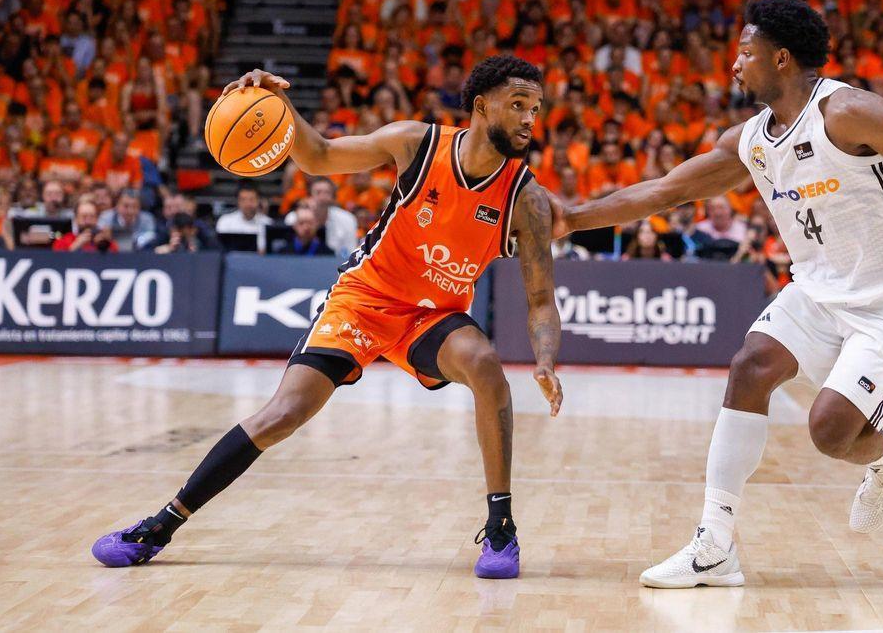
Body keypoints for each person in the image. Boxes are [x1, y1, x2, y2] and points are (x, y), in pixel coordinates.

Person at [552, 0, 883, 589]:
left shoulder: (850, 113)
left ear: (781, 60)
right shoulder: (751, 140)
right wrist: (573, 219)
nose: (734, 64)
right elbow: (664, 192)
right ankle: (714, 543)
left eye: (745, 52)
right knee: (749, 367)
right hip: (815, 292)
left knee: (830, 433)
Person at [91, 55, 563, 581]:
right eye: (518, 105)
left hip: (431, 317)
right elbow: (318, 156)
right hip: (364, 297)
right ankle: (161, 524)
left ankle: (501, 528)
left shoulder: (527, 198)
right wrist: (276, 103)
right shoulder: (417, 143)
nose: (529, 119)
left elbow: (541, 299)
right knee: (283, 415)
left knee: (485, 364)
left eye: (536, 109)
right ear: (481, 106)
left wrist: (544, 359)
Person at [283, 177, 357, 256]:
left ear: (333, 197)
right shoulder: (294, 218)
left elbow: (350, 252)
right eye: (318, 192)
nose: (322, 197)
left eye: (327, 193)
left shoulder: (347, 219)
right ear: (309, 196)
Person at [216, 181, 271, 252]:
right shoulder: (225, 221)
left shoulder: (268, 223)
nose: (248, 204)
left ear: (258, 201)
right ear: (238, 201)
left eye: (252, 199)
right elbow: (220, 248)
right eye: (243, 200)